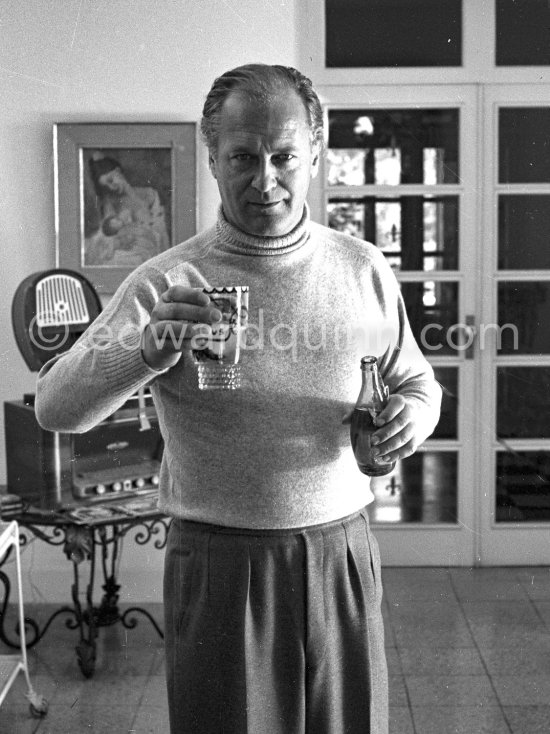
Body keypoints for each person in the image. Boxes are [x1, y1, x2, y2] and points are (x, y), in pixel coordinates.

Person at [35, 64, 441, 734]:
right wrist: (148, 349)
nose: (265, 179)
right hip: (221, 564)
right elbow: (55, 406)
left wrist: (410, 419)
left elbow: (416, 381)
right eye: (243, 157)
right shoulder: (165, 281)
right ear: (212, 154)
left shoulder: (362, 268)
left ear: (314, 150)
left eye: (284, 156)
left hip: (341, 554)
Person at [84, 155, 170, 267]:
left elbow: (153, 224)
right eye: (106, 186)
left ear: (118, 171)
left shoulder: (148, 194)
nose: (111, 187)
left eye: (111, 180)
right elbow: (109, 232)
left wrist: (127, 188)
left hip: (148, 245)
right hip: (126, 247)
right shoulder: (109, 202)